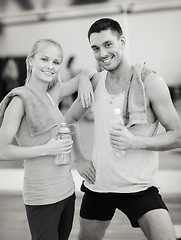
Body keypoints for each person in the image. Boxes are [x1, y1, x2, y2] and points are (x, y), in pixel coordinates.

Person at [65, 18, 181, 240]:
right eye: (95, 48)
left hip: (139, 188)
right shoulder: (95, 82)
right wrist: (79, 159)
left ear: (122, 42)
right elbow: (69, 119)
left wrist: (135, 142)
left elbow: (178, 136)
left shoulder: (151, 83)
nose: (102, 54)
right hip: (98, 186)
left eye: (108, 45)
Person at [0, 38, 95, 240]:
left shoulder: (53, 94)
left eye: (56, 62)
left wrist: (83, 79)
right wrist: (47, 149)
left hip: (66, 192)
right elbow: (0, 150)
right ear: (31, 61)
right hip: (41, 196)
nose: (51, 66)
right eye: (44, 59)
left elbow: (89, 73)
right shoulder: (19, 100)